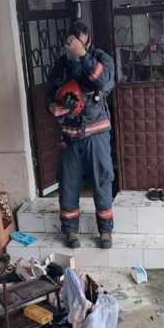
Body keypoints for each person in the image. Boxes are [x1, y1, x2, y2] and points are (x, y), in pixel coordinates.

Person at [46, 22, 115, 250]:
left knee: (102, 181)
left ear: (88, 42)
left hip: (97, 134)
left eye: (79, 44)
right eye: (71, 44)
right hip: (70, 137)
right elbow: (50, 94)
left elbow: (104, 82)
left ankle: (105, 232)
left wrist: (83, 55)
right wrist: (52, 107)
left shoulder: (102, 59)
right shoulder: (61, 64)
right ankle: (70, 232)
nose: (73, 49)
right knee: (68, 184)